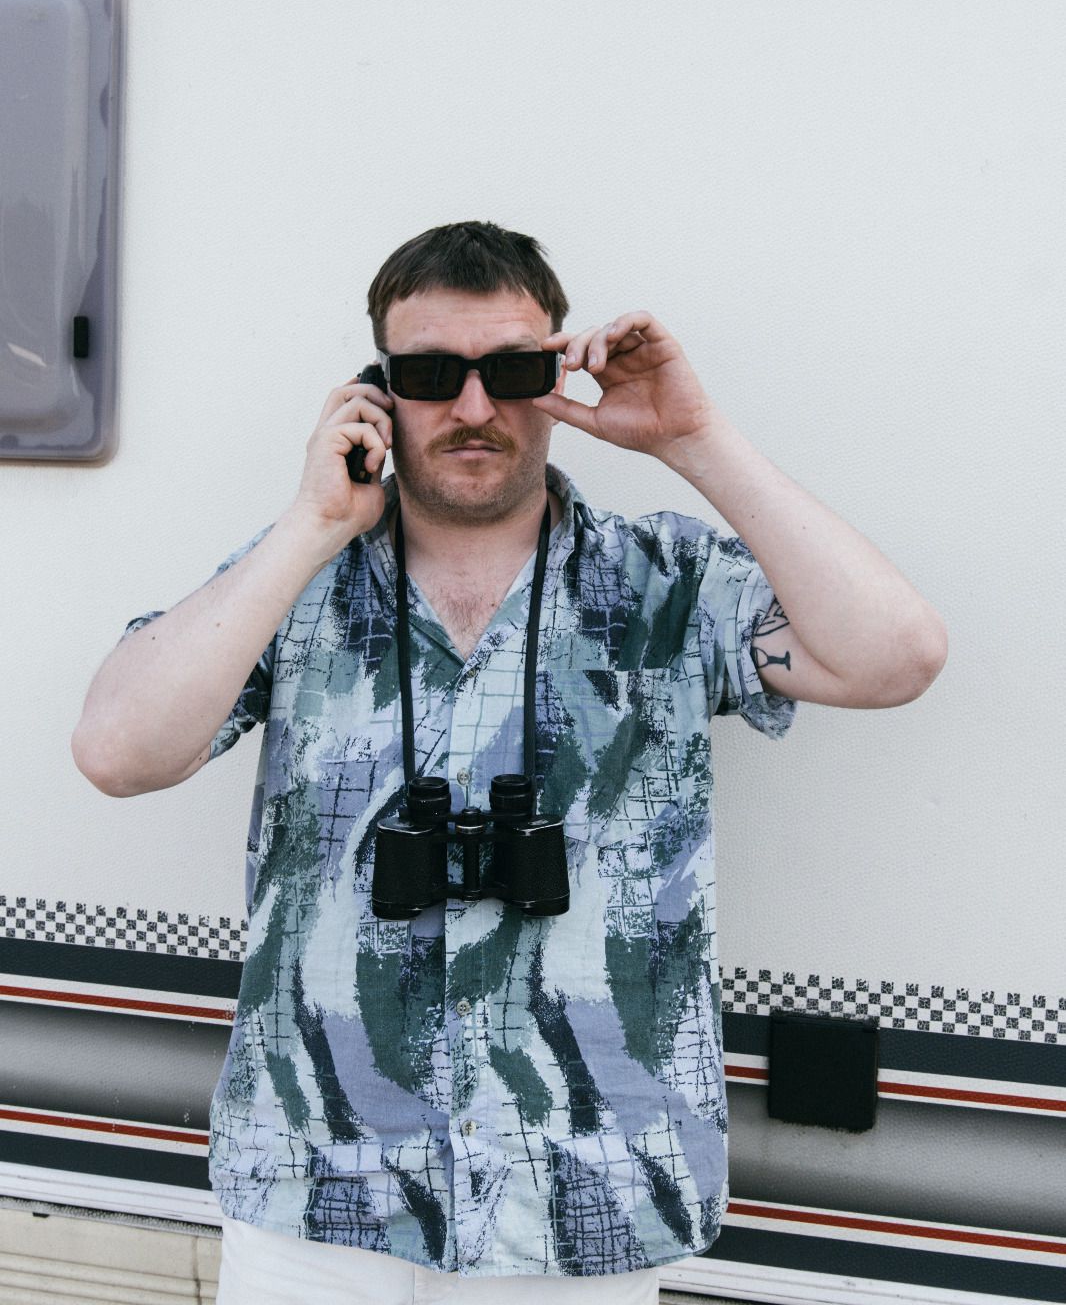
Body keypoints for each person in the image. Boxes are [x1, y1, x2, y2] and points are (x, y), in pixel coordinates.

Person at [72, 221, 947, 1305]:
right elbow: (116, 752)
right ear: (376, 391)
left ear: (557, 376)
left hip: (584, 1196)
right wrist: (310, 522)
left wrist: (695, 438)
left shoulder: (665, 579)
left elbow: (896, 655)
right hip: (319, 1187)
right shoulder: (294, 580)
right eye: (431, 375)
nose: (474, 407)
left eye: (514, 371)